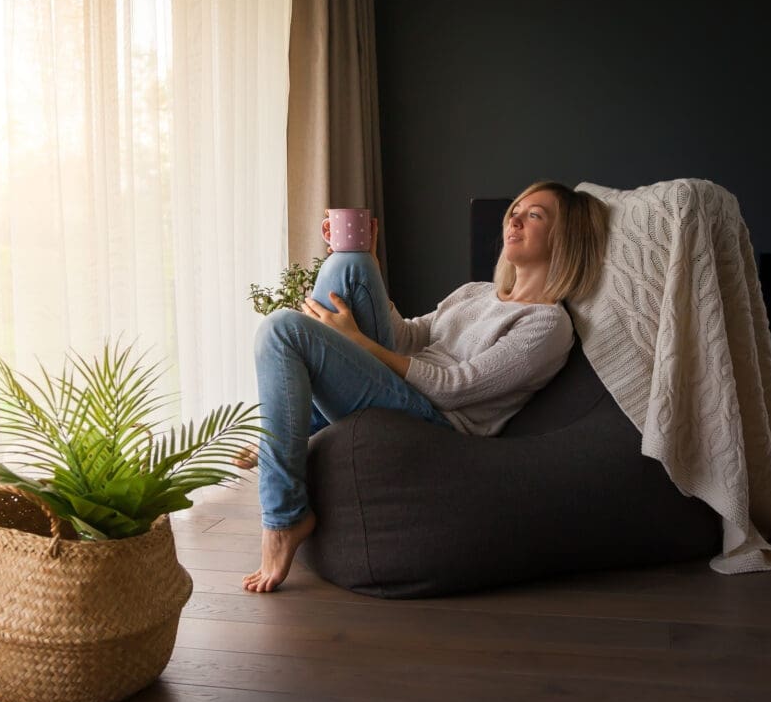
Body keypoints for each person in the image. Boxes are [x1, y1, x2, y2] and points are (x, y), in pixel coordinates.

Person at [240, 181, 609, 593]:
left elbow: (454, 388)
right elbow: (408, 337)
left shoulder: (547, 324)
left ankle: (283, 516)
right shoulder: (476, 293)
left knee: (282, 329)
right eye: (516, 210)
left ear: (565, 237)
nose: (515, 218)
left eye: (535, 214)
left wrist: (356, 340)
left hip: (435, 421)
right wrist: (371, 266)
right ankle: (289, 428)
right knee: (350, 262)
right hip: (404, 389)